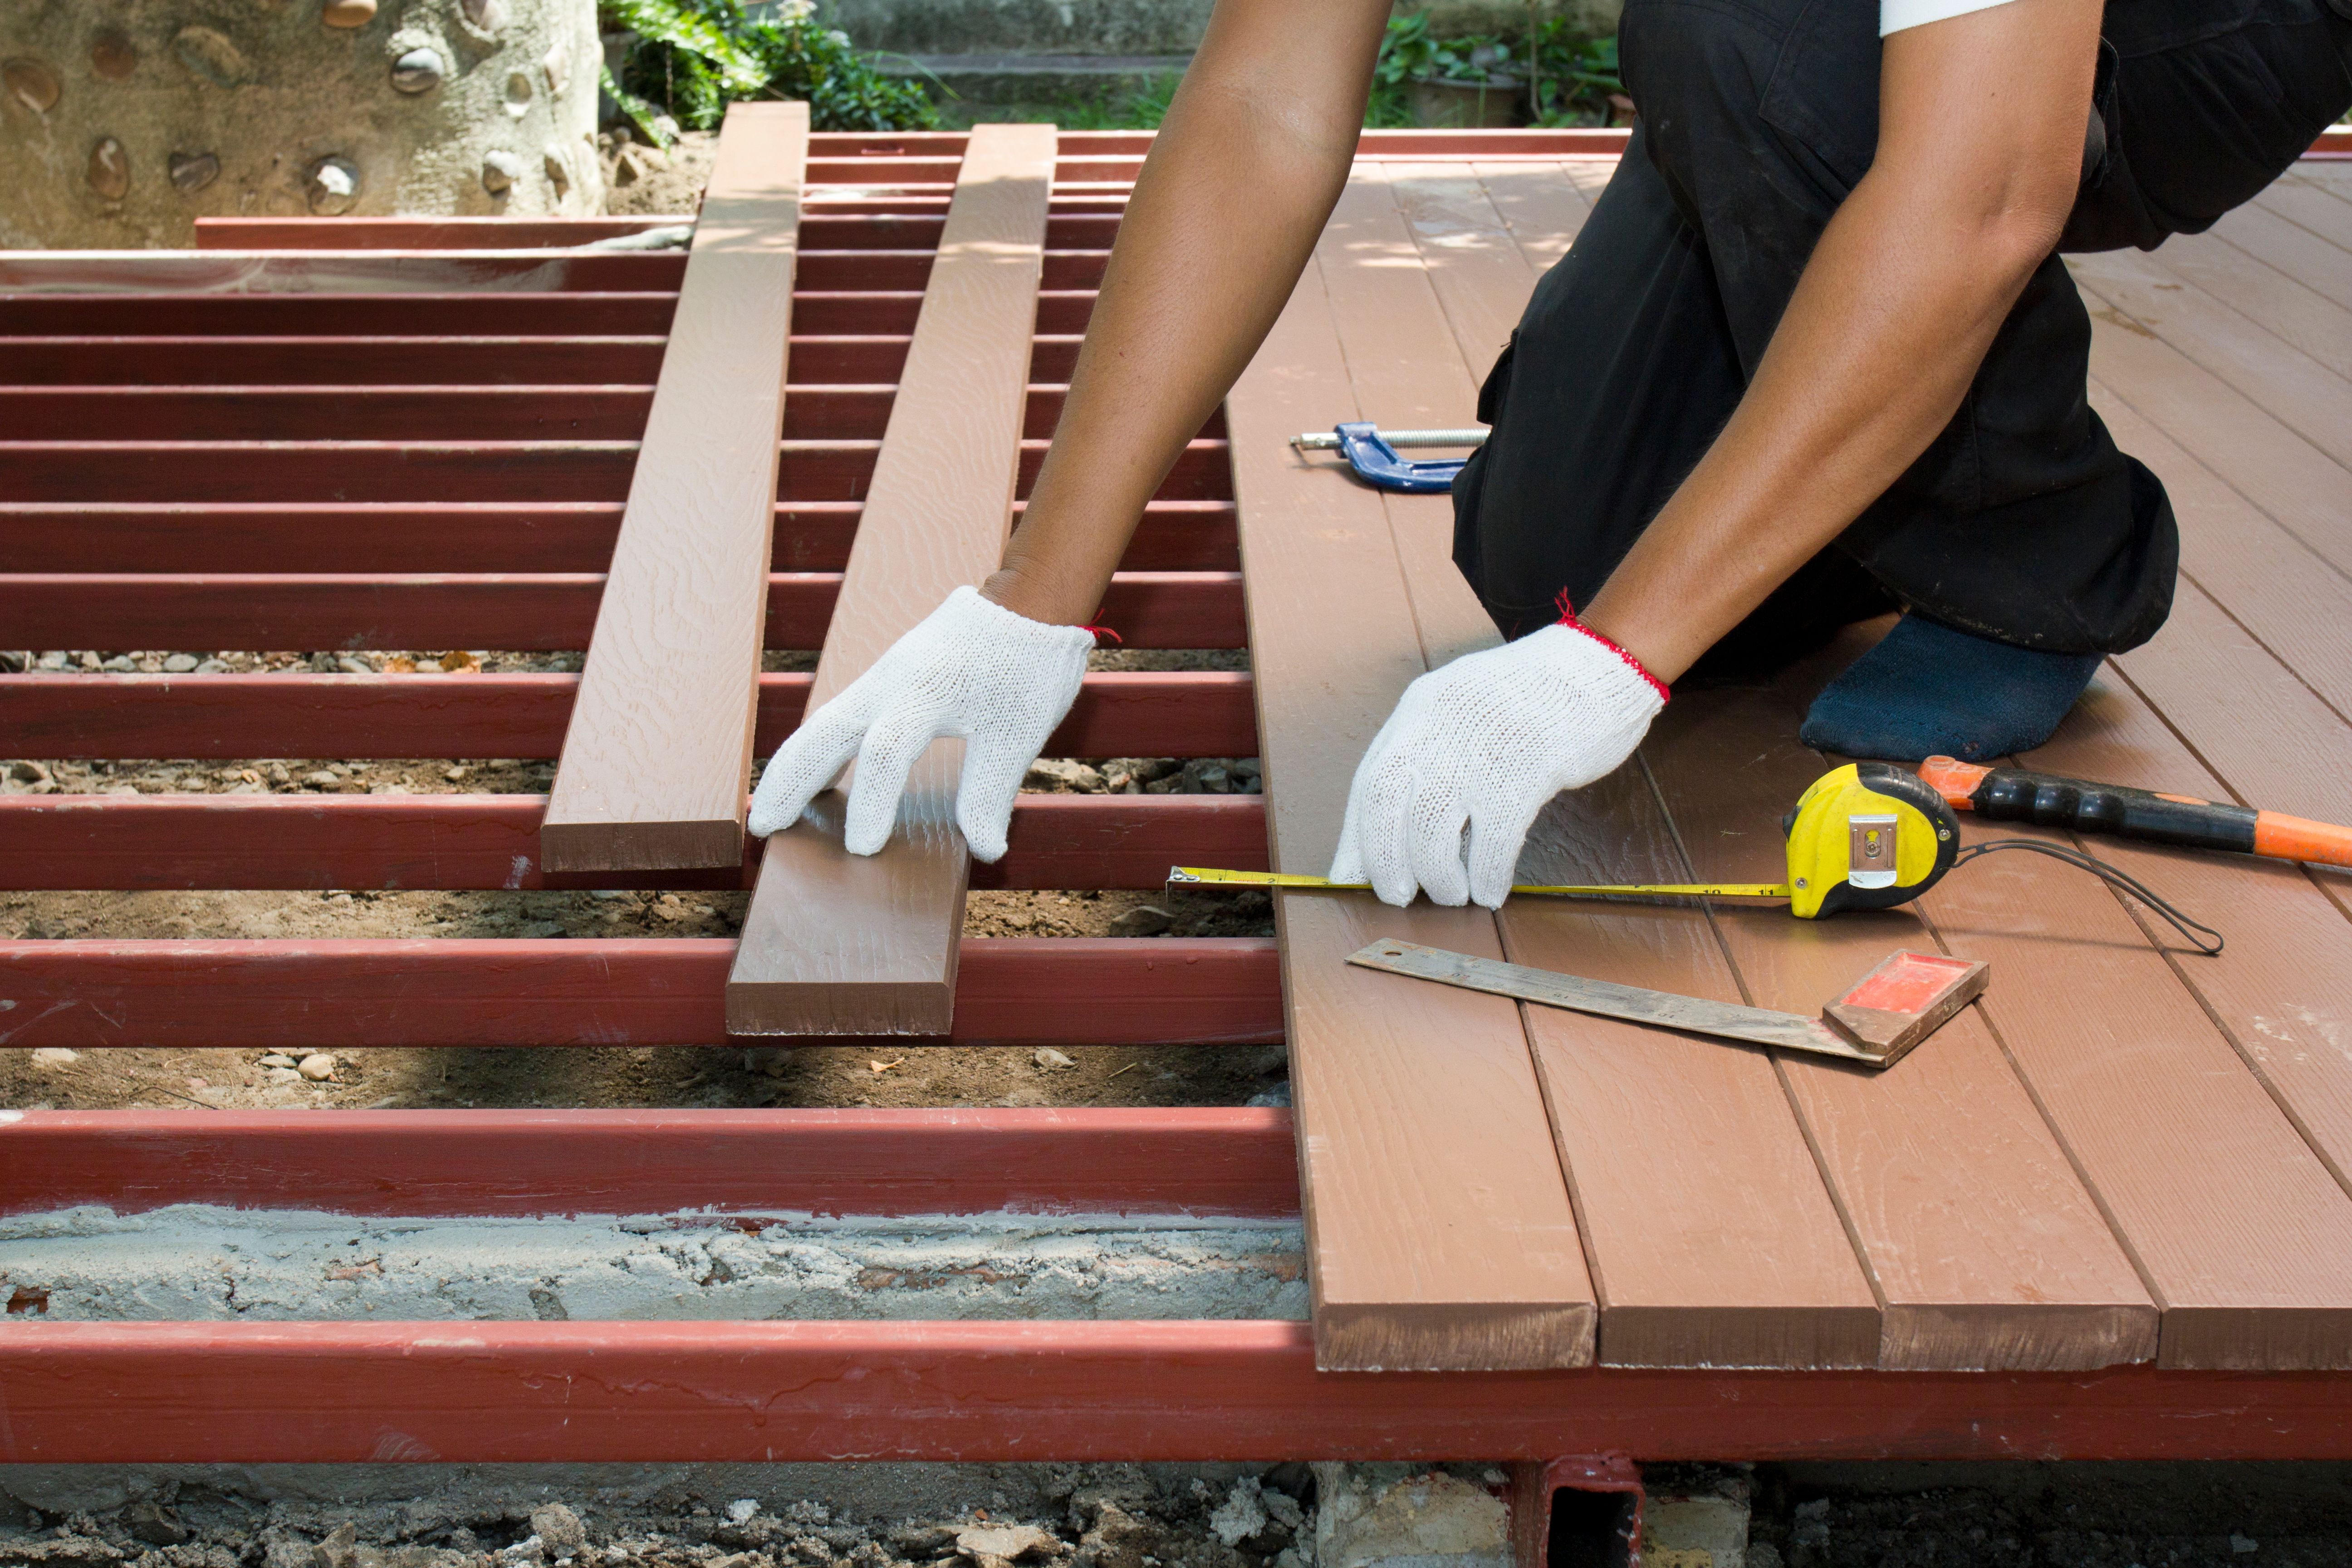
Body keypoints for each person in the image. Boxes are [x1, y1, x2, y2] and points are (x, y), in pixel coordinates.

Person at [748, 0, 2352, 910]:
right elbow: (1265, 106)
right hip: (1810, 47)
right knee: (1552, 562)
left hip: (2179, 33)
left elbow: (1986, 192)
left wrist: (1618, 663)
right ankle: (1852, 477)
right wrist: (1032, 601)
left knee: (1740, 37)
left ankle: (2035, 557)